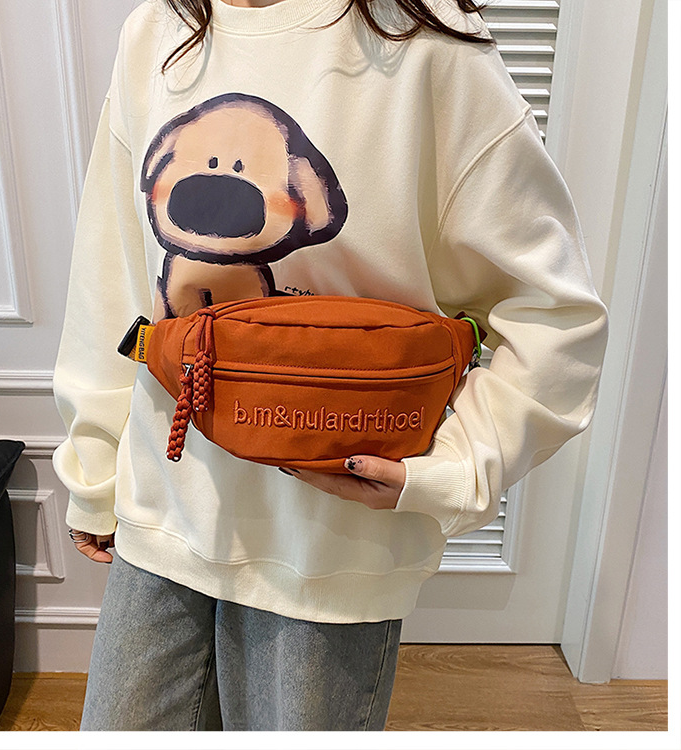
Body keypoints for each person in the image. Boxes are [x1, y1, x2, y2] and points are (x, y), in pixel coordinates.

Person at [52, 0, 609, 732]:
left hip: (334, 548)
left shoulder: (426, 45)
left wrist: (453, 467)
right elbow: (113, 274)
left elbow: (555, 315)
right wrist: (95, 465)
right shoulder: (159, 31)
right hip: (164, 511)